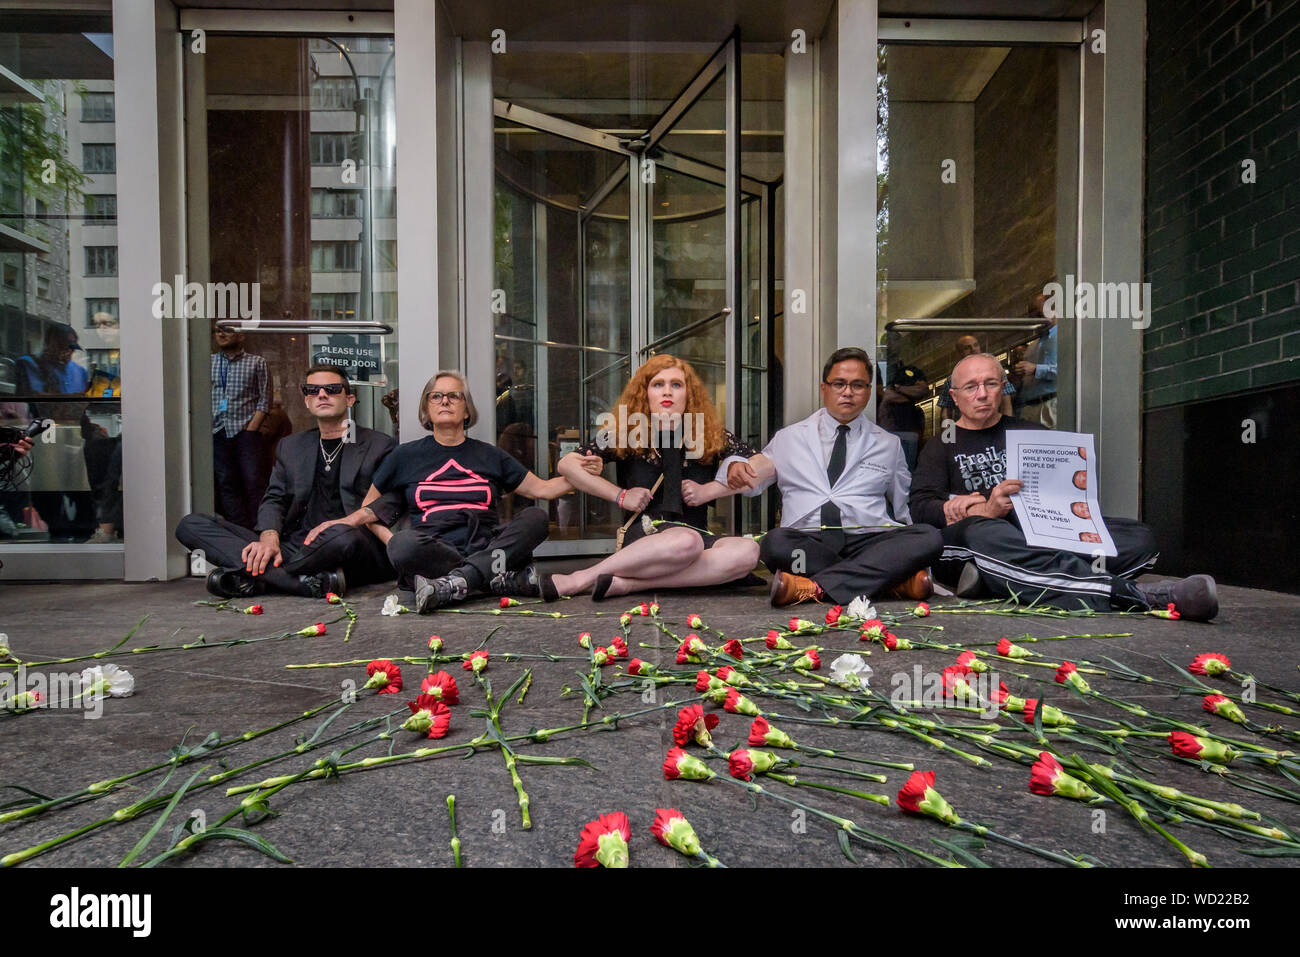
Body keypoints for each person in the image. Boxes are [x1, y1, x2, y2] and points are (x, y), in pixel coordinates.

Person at [908, 352, 1218, 620]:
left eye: (991, 384)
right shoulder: (941, 445)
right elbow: (921, 510)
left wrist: (1074, 509)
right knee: (985, 532)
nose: (982, 394)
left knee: (1140, 539)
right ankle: (1130, 594)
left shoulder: (1031, 432)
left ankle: (1003, 578)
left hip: (1040, 537)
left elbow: (1064, 494)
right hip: (977, 541)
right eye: (971, 387)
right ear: (955, 395)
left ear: (1003, 387)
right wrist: (986, 509)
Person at [334, 370, 580, 613]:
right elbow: (370, 509)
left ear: (466, 410)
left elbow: (544, 489)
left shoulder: (490, 454)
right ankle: (491, 578)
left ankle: (456, 583)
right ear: (426, 409)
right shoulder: (404, 456)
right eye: (436, 396)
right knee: (403, 543)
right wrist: (392, 543)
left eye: (454, 396)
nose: (445, 401)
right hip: (435, 550)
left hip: (487, 544)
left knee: (536, 518)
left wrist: (584, 471)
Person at [724, 347, 943, 607]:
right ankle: (890, 583)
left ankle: (813, 587)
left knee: (929, 537)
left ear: (869, 391)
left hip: (868, 540)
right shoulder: (790, 437)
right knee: (775, 544)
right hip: (808, 542)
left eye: (858, 385)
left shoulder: (888, 444)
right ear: (823, 388)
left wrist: (905, 547)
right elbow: (752, 481)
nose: (847, 392)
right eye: (839, 384)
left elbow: (902, 506)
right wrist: (734, 463)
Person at [544, 354, 761, 601]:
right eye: (658, 384)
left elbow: (764, 464)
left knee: (747, 551)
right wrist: (620, 495)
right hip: (645, 536)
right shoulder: (626, 431)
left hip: (695, 536)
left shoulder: (709, 433)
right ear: (645, 392)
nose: (667, 392)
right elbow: (567, 464)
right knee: (685, 541)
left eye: (676, 385)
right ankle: (582, 578)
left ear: (689, 393)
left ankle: (628, 585)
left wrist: (717, 484)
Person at [176, 364, 400, 598]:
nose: (321, 395)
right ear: (306, 401)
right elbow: (275, 498)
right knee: (190, 524)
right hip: (295, 545)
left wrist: (350, 520)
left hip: (349, 543)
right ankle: (302, 582)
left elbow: (392, 499)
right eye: (312, 390)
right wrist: (269, 537)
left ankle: (261, 578)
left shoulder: (379, 445)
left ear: (350, 399)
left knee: (342, 535)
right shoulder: (292, 446)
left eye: (332, 389)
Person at [210, 327, 272, 529]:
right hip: (217, 430)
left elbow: (265, 399)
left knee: (254, 481)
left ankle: (259, 529)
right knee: (226, 483)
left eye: (226, 330)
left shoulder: (256, 363)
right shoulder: (209, 362)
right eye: (217, 331)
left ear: (241, 335)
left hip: (245, 431)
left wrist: (251, 429)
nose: (221, 334)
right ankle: (238, 530)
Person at [936, 334, 1013, 419]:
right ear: (960, 353)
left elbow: (1006, 402)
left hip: (993, 426)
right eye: (967, 348)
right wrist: (948, 432)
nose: (973, 349)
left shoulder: (996, 371)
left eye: (976, 345)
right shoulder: (952, 380)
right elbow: (946, 413)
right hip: (966, 429)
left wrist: (1007, 428)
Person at [1016, 293, 1058, 427]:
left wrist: (1035, 369)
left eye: (1040, 315)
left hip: (1050, 404)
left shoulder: (1065, 337)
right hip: (1029, 407)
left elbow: (1071, 372)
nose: (1036, 321)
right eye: (1033, 317)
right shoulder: (1033, 346)